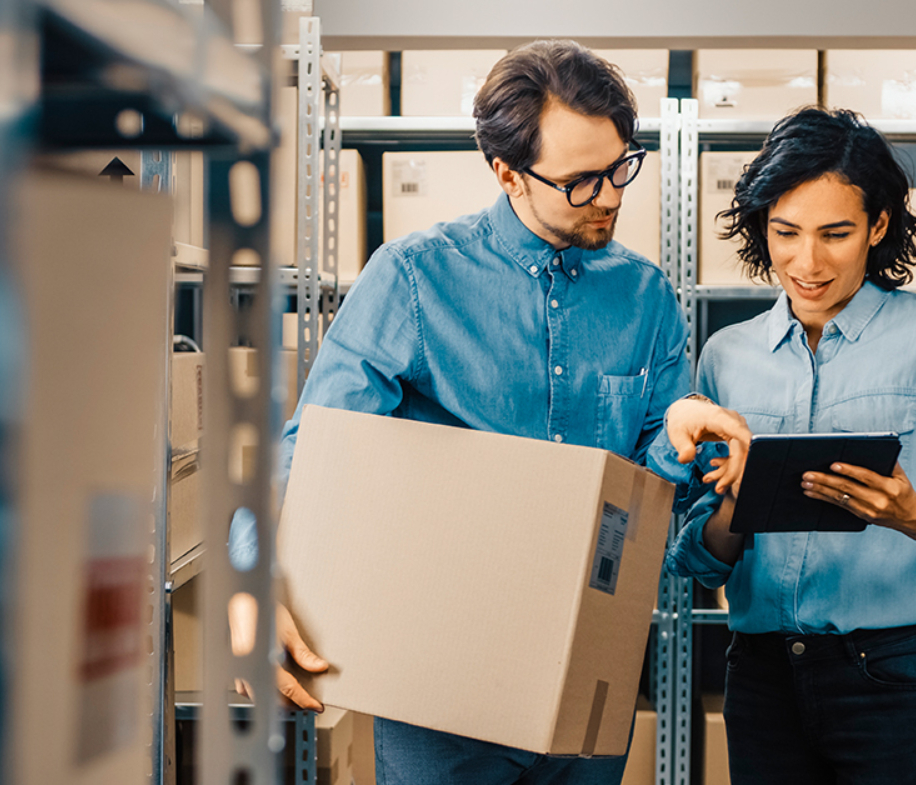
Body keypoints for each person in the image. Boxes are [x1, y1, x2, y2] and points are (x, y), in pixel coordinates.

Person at [257, 40, 752, 785]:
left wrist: (677, 441)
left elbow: (654, 491)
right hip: (438, 678)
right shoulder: (415, 278)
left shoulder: (645, 297)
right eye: (582, 182)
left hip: (589, 664)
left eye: (621, 166)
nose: (612, 195)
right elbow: (313, 452)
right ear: (507, 172)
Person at [665, 107, 916, 785]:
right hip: (763, 677)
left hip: (898, 676)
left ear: (877, 226)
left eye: (836, 233)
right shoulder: (726, 357)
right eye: (786, 232)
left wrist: (911, 515)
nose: (808, 261)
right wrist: (738, 501)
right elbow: (698, 561)